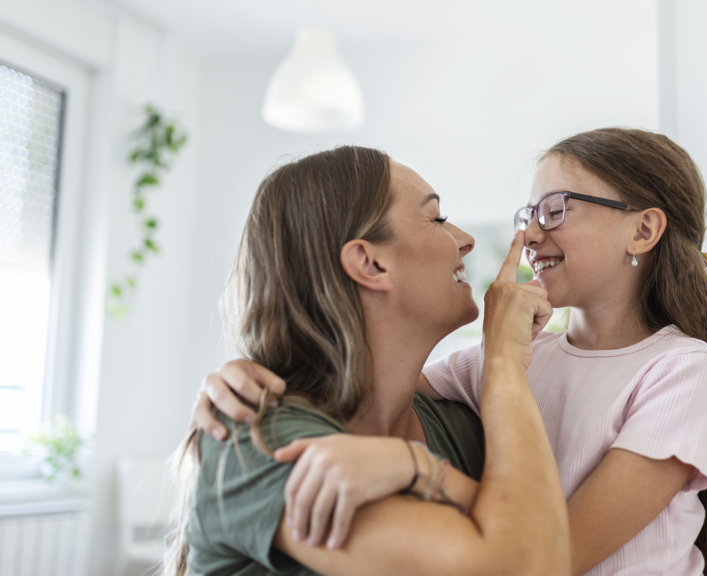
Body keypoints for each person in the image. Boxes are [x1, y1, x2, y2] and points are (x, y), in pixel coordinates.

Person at [193, 128, 707, 576]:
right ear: (369, 263)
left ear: (643, 231)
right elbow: (362, 376)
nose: (526, 235)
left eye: (556, 209)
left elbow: (547, 552)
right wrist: (251, 372)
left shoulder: (680, 370)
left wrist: (416, 467)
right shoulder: (502, 369)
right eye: (530, 215)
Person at [166, 145, 572, 576]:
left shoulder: (460, 424)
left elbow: (537, 539)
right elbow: (528, 562)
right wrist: (503, 361)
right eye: (436, 219)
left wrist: (413, 466)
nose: (465, 240)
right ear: (370, 263)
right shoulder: (255, 438)